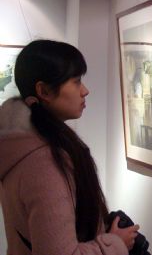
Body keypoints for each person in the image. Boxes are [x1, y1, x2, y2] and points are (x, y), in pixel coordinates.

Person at [0, 39, 139, 255]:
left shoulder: (21, 147)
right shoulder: (43, 163)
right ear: (44, 91)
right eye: (75, 82)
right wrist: (114, 244)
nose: (85, 90)